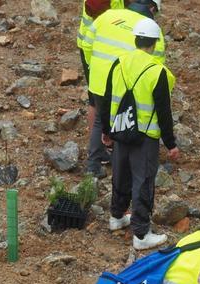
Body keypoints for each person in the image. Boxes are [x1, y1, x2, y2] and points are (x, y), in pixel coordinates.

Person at [99, 18, 179, 250]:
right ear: (153, 43)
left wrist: (106, 130)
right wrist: (170, 143)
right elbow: (164, 111)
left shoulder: (118, 63)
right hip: (144, 137)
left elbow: (106, 99)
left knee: (120, 174)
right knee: (142, 181)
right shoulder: (158, 72)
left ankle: (116, 217)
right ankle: (141, 235)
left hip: (121, 130)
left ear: (135, 40)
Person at [83, 0, 164, 179]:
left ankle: (93, 165)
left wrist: (95, 67)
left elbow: (87, 45)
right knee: (125, 119)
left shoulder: (108, 15)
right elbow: (156, 66)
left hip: (98, 79)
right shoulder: (151, 29)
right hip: (125, 83)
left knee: (99, 119)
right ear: (152, 8)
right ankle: (123, 165)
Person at [76, 0, 124, 178]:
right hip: (100, 47)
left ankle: (98, 149)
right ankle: (95, 157)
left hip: (94, 44)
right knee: (100, 102)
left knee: (95, 99)